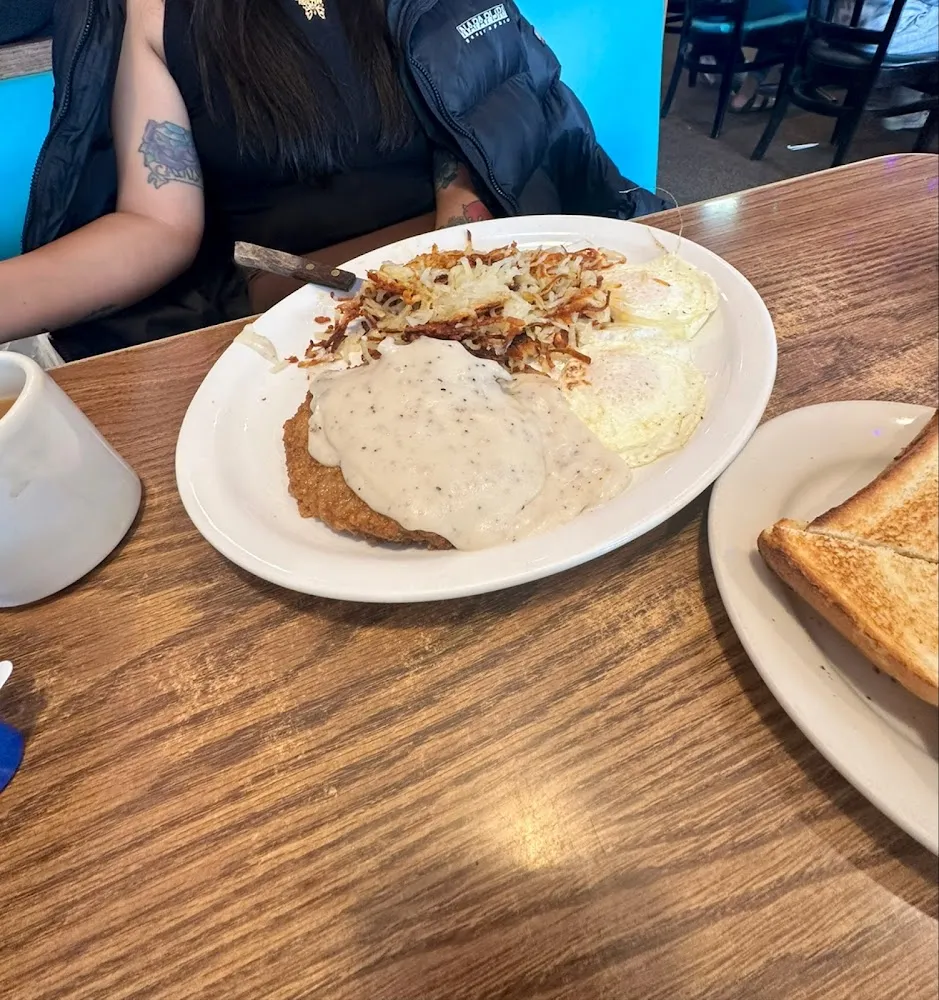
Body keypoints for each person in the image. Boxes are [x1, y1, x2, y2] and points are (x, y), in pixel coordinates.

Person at [0, 0, 664, 362]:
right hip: (279, 288)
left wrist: (452, 283)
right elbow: (158, 224)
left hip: (465, 260)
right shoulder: (152, 11)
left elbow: (470, 151)